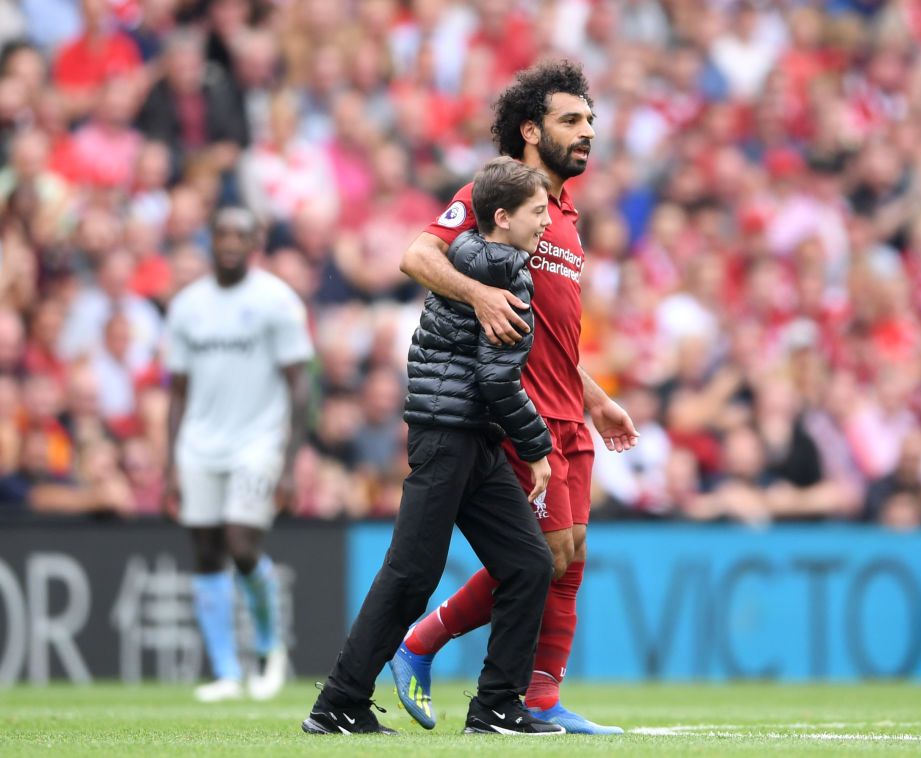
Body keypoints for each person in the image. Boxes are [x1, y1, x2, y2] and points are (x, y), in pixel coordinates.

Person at [393, 60, 638, 734]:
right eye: (571, 120)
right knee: (543, 556)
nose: (588, 132)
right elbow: (417, 256)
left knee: (572, 553)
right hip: (523, 412)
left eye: (590, 120)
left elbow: (550, 333)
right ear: (530, 130)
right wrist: (478, 294)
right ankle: (421, 641)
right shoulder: (496, 194)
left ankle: (543, 698)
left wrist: (594, 399)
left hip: (569, 408)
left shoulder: (565, 215)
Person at [303, 157, 562, 737]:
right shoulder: (507, 272)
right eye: (537, 212)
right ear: (502, 217)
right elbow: (497, 379)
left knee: (527, 563)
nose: (547, 223)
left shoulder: (462, 257)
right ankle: (339, 702)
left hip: (466, 434)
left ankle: (496, 706)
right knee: (412, 573)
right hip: (453, 435)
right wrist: (537, 446)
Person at [164, 207, 312, 702]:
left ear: (255, 243)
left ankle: (270, 649)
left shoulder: (277, 301)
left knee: (241, 544)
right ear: (210, 239)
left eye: (240, 235)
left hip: (258, 441)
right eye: (222, 233)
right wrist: (170, 463)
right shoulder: (187, 306)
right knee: (206, 551)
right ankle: (226, 672)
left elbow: (299, 386)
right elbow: (177, 392)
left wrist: (289, 462)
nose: (230, 242)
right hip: (199, 444)